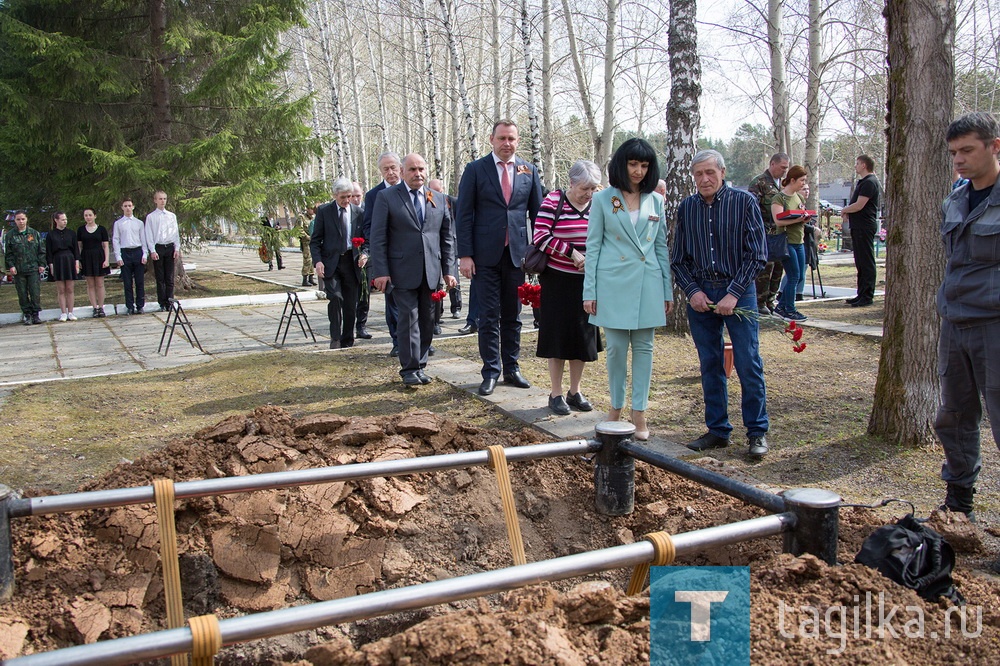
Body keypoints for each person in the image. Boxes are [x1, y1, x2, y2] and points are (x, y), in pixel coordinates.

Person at [671, 149, 770, 460]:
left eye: (710, 172)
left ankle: (756, 431)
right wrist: (693, 292)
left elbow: (757, 254)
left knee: (747, 361)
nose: (704, 179)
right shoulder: (687, 208)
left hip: (738, 291)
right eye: (698, 174)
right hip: (702, 295)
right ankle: (717, 430)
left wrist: (734, 294)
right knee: (710, 363)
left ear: (722, 173)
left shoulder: (744, 202)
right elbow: (678, 260)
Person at [935, 111, 1000, 527]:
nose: (959, 160)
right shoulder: (956, 199)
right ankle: (959, 505)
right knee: (954, 417)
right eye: (954, 152)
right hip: (955, 325)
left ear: (995, 146)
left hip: (994, 326)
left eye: (968, 150)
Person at [583, 139, 672, 439]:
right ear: (621, 164)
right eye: (633, 164)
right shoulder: (603, 199)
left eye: (644, 165)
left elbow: (661, 248)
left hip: (648, 283)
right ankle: (615, 409)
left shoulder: (655, 200)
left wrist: (667, 291)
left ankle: (640, 413)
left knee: (645, 349)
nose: (638, 171)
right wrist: (589, 291)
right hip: (613, 283)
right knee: (617, 350)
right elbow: (592, 247)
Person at [457, 119, 543, 396]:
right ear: (491, 139)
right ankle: (490, 371)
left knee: (514, 315)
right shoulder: (475, 170)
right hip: (485, 256)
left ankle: (512, 368)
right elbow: (464, 215)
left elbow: (538, 214)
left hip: (517, 256)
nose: (507, 144)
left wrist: (538, 252)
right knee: (488, 315)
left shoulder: (528, 170)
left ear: (518, 141)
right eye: (502, 138)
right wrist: (465, 255)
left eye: (512, 139)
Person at [369, 154, 457, 386]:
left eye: (421, 169)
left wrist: (449, 270)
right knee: (408, 318)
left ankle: (420, 364)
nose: (417, 173)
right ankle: (408, 368)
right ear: (402, 171)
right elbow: (378, 237)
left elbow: (447, 237)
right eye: (412, 169)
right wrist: (380, 271)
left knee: (429, 320)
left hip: (430, 271)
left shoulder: (437, 198)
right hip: (401, 270)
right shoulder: (387, 197)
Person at [536, 160, 603, 415]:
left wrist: (594, 259)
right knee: (558, 338)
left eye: (593, 188)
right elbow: (540, 236)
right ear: (571, 183)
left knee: (582, 338)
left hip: (587, 282)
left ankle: (575, 391)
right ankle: (555, 393)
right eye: (584, 188)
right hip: (558, 280)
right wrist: (572, 253)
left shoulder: (598, 203)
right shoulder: (553, 201)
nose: (588, 193)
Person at [312, 177, 367, 349]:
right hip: (331, 263)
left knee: (350, 303)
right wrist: (318, 262)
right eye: (343, 197)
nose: (346, 200)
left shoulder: (358, 213)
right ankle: (335, 337)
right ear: (335, 195)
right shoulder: (324, 211)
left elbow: (367, 239)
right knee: (335, 297)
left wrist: (365, 254)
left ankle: (347, 338)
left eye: (349, 196)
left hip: (352, 262)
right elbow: (315, 241)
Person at [365, 152, 404, 354]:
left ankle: (423, 340)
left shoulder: (413, 189)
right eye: (385, 169)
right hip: (390, 257)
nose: (390, 172)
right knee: (394, 303)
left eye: (393, 167)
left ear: (400, 167)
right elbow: (369, 227)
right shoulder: (374, 195)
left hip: (414, 256)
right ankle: (398, 342)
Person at [748, 153, 789, 314]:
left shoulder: (783, 184)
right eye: (782, 167)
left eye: (786, 168)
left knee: (778, 268)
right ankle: (760, 301)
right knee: (765, 269)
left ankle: (771, 299)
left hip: (779, 233)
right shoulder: (760, 182)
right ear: (772, 164)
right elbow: (751, 208)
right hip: (764, 233)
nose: (785, 171)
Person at [770, 165, 812, 322]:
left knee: (799, 276)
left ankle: (781, 306)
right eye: (801, 180)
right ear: (792, 180)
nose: (803, 184)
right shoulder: (779, 198)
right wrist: (798, 219)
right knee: (793, 275)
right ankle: (789, 309)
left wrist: (805, 217)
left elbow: (801, 213)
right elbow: (778, 221)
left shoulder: (799, 197)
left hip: (798, 241)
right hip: (786, 241)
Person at [840, 155, 881, 307]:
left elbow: (859, 204)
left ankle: (867, 295)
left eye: (857, 164)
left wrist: (845, 209)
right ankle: (861, 293)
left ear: (864, 165)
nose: (855, 166)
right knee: (860, 261)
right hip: (858, 226)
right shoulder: (863, 182)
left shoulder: (870, 182)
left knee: (866, 261)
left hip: (865, 226)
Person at [428, 178, 462, 321]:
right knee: (437, 283)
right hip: (434, 248)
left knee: (453, 277)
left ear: (442, 190)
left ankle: (456, 307)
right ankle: (438, 311)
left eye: (438, 190)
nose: (436, 193)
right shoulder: (427, 201)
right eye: (432, 190)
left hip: (450, 246)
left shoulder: (452, 201)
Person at [4, 211, 45, 324]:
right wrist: (11, 266)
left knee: (35, 292)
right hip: (19, 269)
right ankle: (27, 314)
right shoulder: (10, 235)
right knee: (22, 293)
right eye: (18, 219)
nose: (21, 221)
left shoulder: (34, 233)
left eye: (23, 219)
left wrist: (42, 264)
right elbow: (9, 253)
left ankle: (36, 314)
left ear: (26, 219)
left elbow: (41, 251)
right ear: (15, 221)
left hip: (33, 268)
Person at [144, 190, 181, 312]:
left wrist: (177, 248)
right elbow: (149, 235)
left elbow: (175, 233)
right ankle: (162, 302)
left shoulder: (171, 216)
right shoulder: (151, 217)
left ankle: (170, 301)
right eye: (160, 199)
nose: (162, 201)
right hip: (158, 247)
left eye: (164, 199)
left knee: (169, 277)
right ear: (155, 200)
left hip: (169, 247)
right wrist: (152, 251)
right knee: (160, 278)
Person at [112, 198, 147, 315]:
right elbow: (116, 240)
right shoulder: (118, 223)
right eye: (125, 206)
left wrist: (144, 254)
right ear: (122, 208)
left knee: (139, 282)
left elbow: (143, 239)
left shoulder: (139, 223)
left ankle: (140, 306)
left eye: (129, 205)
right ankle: (130, 306)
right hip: (125, 253)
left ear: (133, 207)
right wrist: (118, 257)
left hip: (137, 252)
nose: (127, 208)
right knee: (127, 282)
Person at [46, 211, 81, 322]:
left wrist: (76, 263)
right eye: (62, 219)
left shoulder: (71, 233)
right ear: (56, 220)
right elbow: (49, 252)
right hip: (57, 260)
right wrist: (51, 265)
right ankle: (63, 313)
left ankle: (70, 312)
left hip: (69, 259)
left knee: (70, 288)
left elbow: (76, 249)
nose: (65, 221)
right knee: (61, 289)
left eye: (66, 219)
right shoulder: (51, 234)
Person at [77, 208, 111, 317]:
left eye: (90, 215)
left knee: (100, 284)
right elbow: (79, 246)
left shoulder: (101, 229)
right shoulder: (81, 230)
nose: (88, 217)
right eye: (86, 215)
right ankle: (94, 307)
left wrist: (106, 260)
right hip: (86, 257)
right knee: (90, 284)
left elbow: (105, 246)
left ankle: (101, 307)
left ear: (95, 216)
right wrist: (79, 260)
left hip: (99, 257)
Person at [298, 206, 317, 287]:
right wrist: (307, 237)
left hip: (313, 242)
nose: (312, 211)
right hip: (306, 242)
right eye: (311, 209)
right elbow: (299, 229)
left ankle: (311, 278)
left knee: (313, 260)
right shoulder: (302, 217)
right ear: (307, 209)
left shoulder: (314, 218)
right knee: (307, 260)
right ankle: (304, 279)